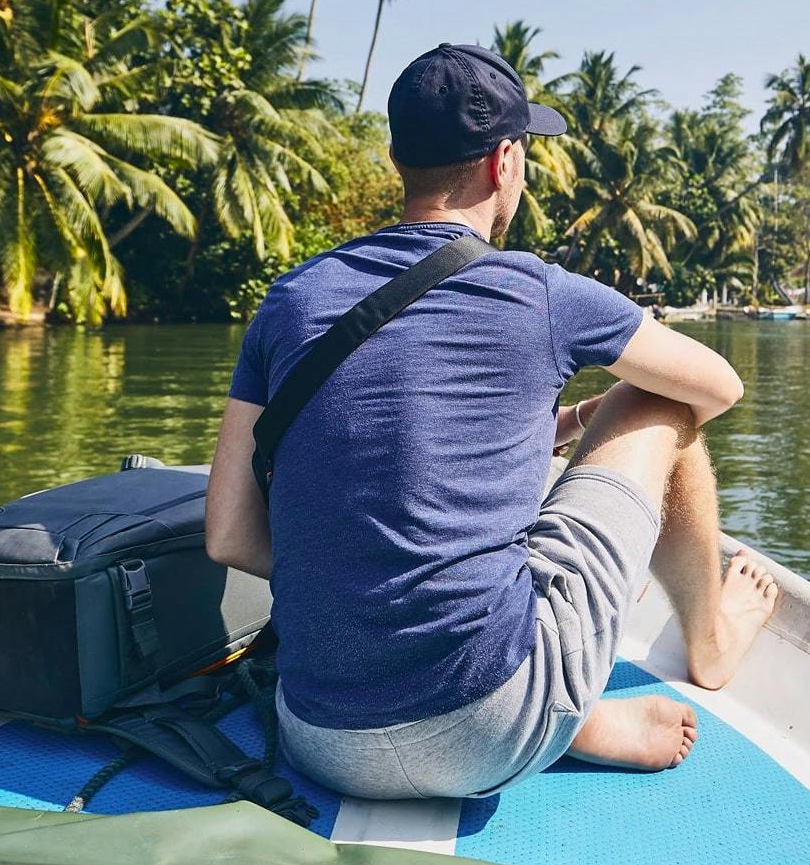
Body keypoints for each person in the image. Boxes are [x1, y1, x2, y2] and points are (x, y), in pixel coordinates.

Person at [204, 42, 778, 800]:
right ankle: (707, 643)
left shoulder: (291, 299)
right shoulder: (538, 291)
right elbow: (719, 388)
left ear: (397, 158)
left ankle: (564, 711)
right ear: (504, 162)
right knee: (663, 399)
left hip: (317, 737)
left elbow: (230, 535)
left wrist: (562, 423)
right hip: (489, 722)